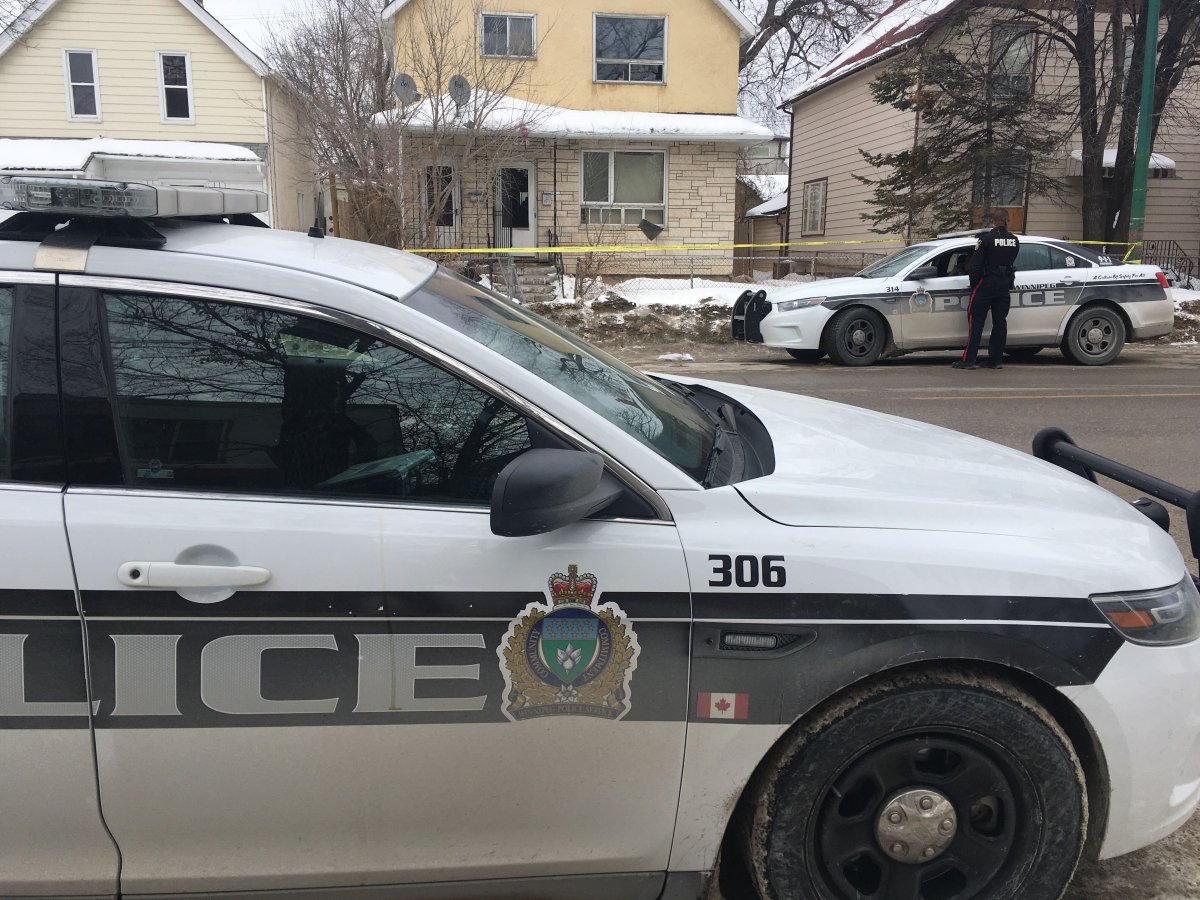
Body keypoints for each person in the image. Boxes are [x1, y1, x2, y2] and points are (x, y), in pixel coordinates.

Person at [952, 208, 1020, 370]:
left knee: (975, 320)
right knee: (1000, 323)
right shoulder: (1014, 240)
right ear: (1006, 220)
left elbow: (975, 266)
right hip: (1004, 284)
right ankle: (996, 360)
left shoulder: (986, 239)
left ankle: (969, 360)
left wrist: (975, 284)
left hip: (987, 283)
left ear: (993, 221)